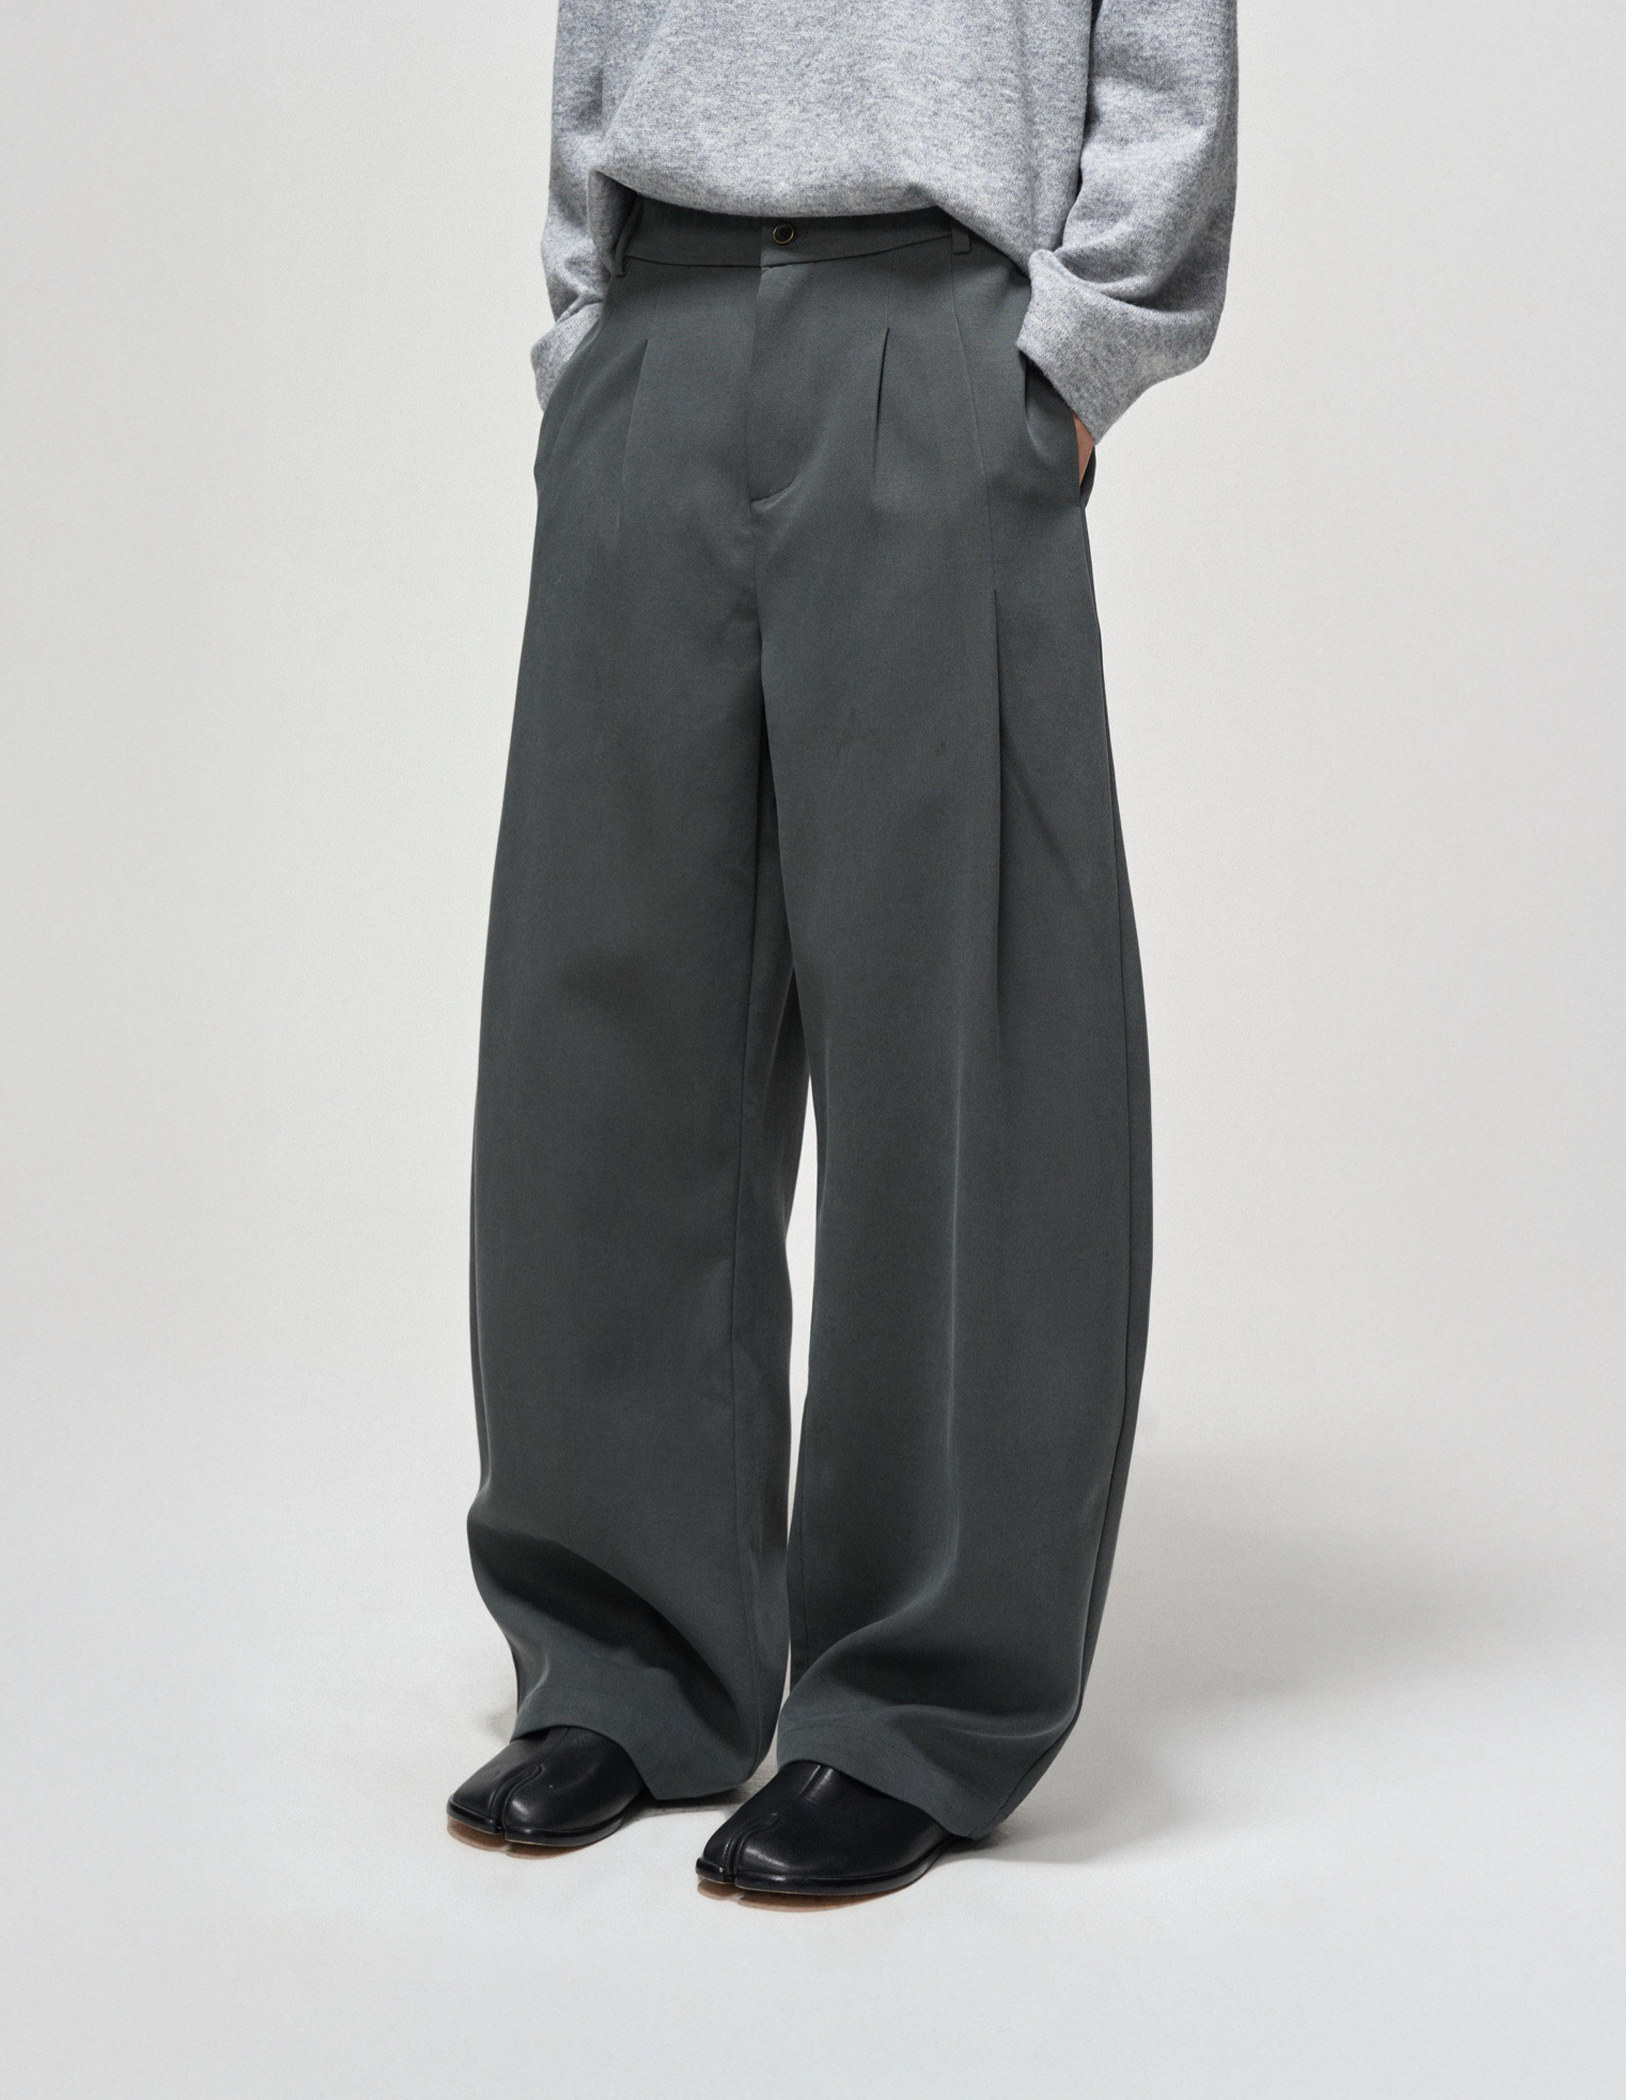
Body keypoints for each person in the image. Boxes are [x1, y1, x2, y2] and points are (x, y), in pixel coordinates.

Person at [449, 0, 1237, 1900]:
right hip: (657, 319)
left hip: (939, 319)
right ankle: (624, 1662)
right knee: (599, 1027)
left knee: (959, 1035)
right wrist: (587, 324)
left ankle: (915, 1700)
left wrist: (1071, 353)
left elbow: (1164, 54)